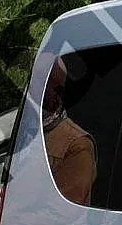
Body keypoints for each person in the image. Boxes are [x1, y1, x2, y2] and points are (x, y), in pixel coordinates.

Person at [42, 56, 97, 205]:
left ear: (56, 92)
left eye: (41, 85)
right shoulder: (23, 132)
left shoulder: (76, 145)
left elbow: (62, 216)